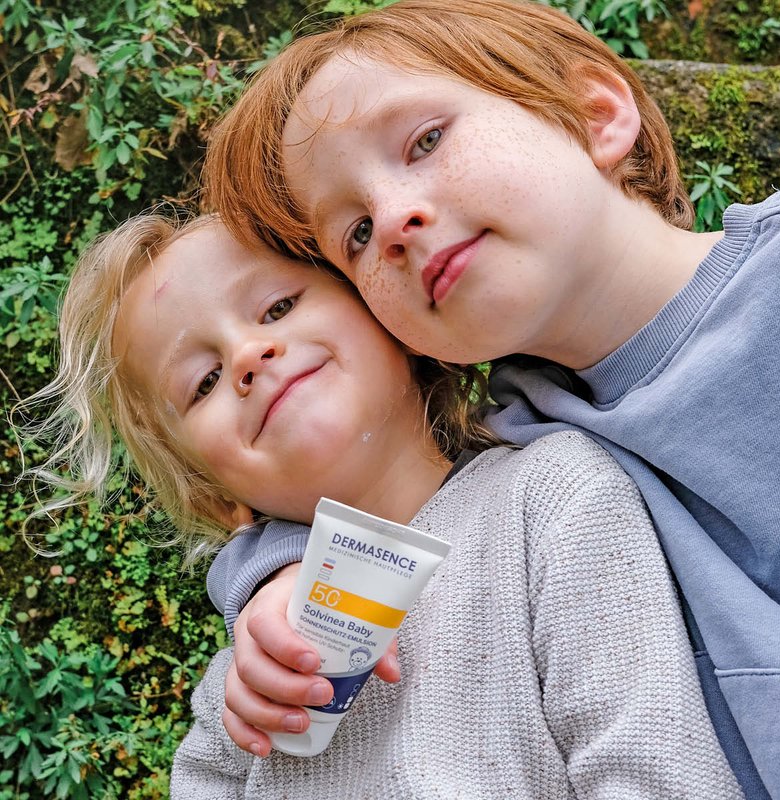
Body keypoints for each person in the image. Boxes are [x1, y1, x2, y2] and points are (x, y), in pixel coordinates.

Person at [201, 1, 780, 797]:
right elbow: (373, 496)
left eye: (425, 141)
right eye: (352, 234)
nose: (391, 221)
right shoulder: (520, 437)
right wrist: (278, 582)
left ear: (596, 113)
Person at [17, 212, 741, 798]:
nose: (248, 356)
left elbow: (659, 767)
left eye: (277, 305)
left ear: (386, 314)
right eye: (202, 382)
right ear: (212, 493)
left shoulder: (552, 498)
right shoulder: (243, 689)